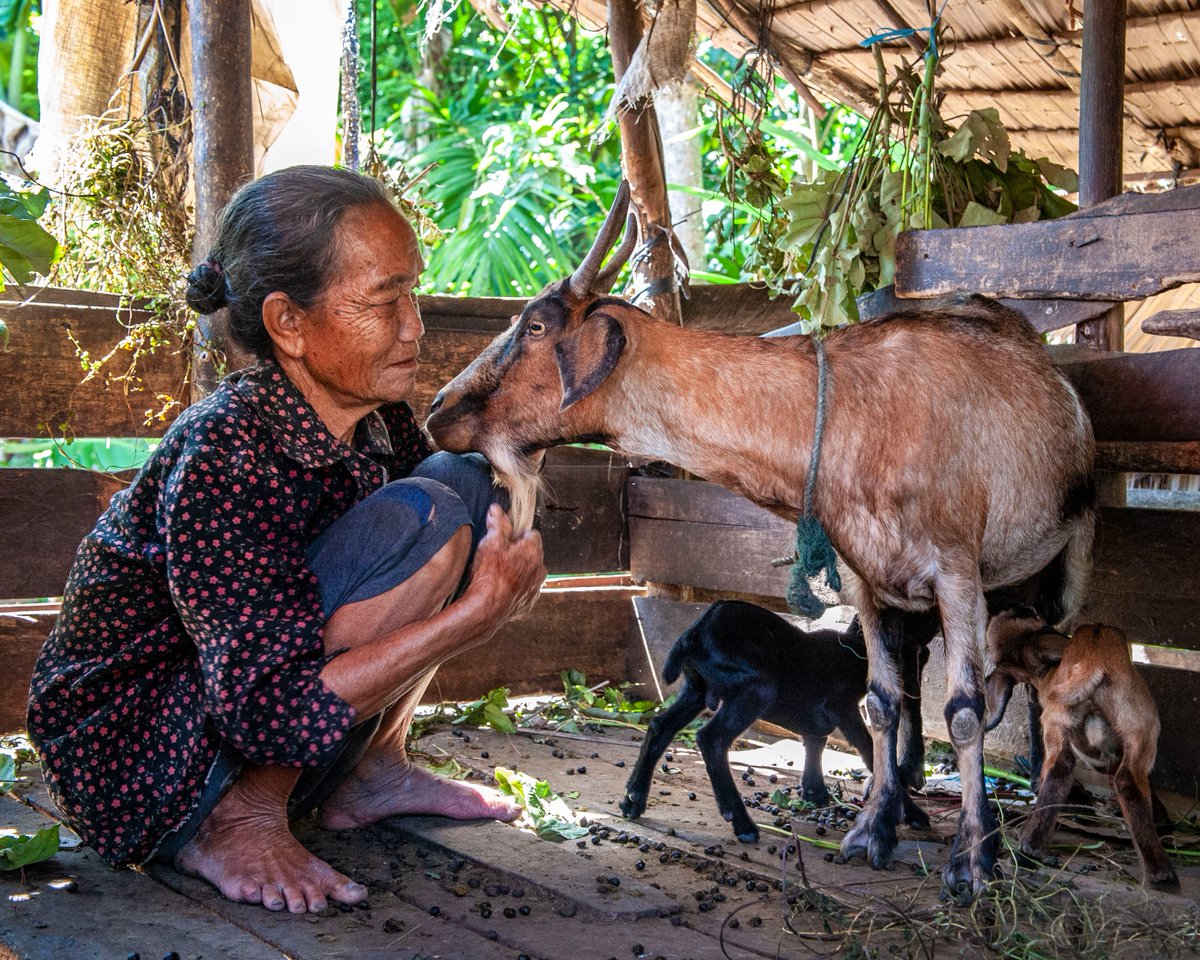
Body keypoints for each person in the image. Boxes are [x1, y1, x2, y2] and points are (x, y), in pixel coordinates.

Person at [26, 165, 546, 914]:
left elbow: (415, 572)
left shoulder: (374, 419)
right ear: (288, 324)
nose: (414, 325)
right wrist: (474, 617)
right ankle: (240, 818)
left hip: (261, 716)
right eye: (382, 299)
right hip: (144, 759)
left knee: (466, 485)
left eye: (412, 290)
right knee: (426, 516)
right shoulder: (224, 451)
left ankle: (371, 769)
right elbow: (262, 706)